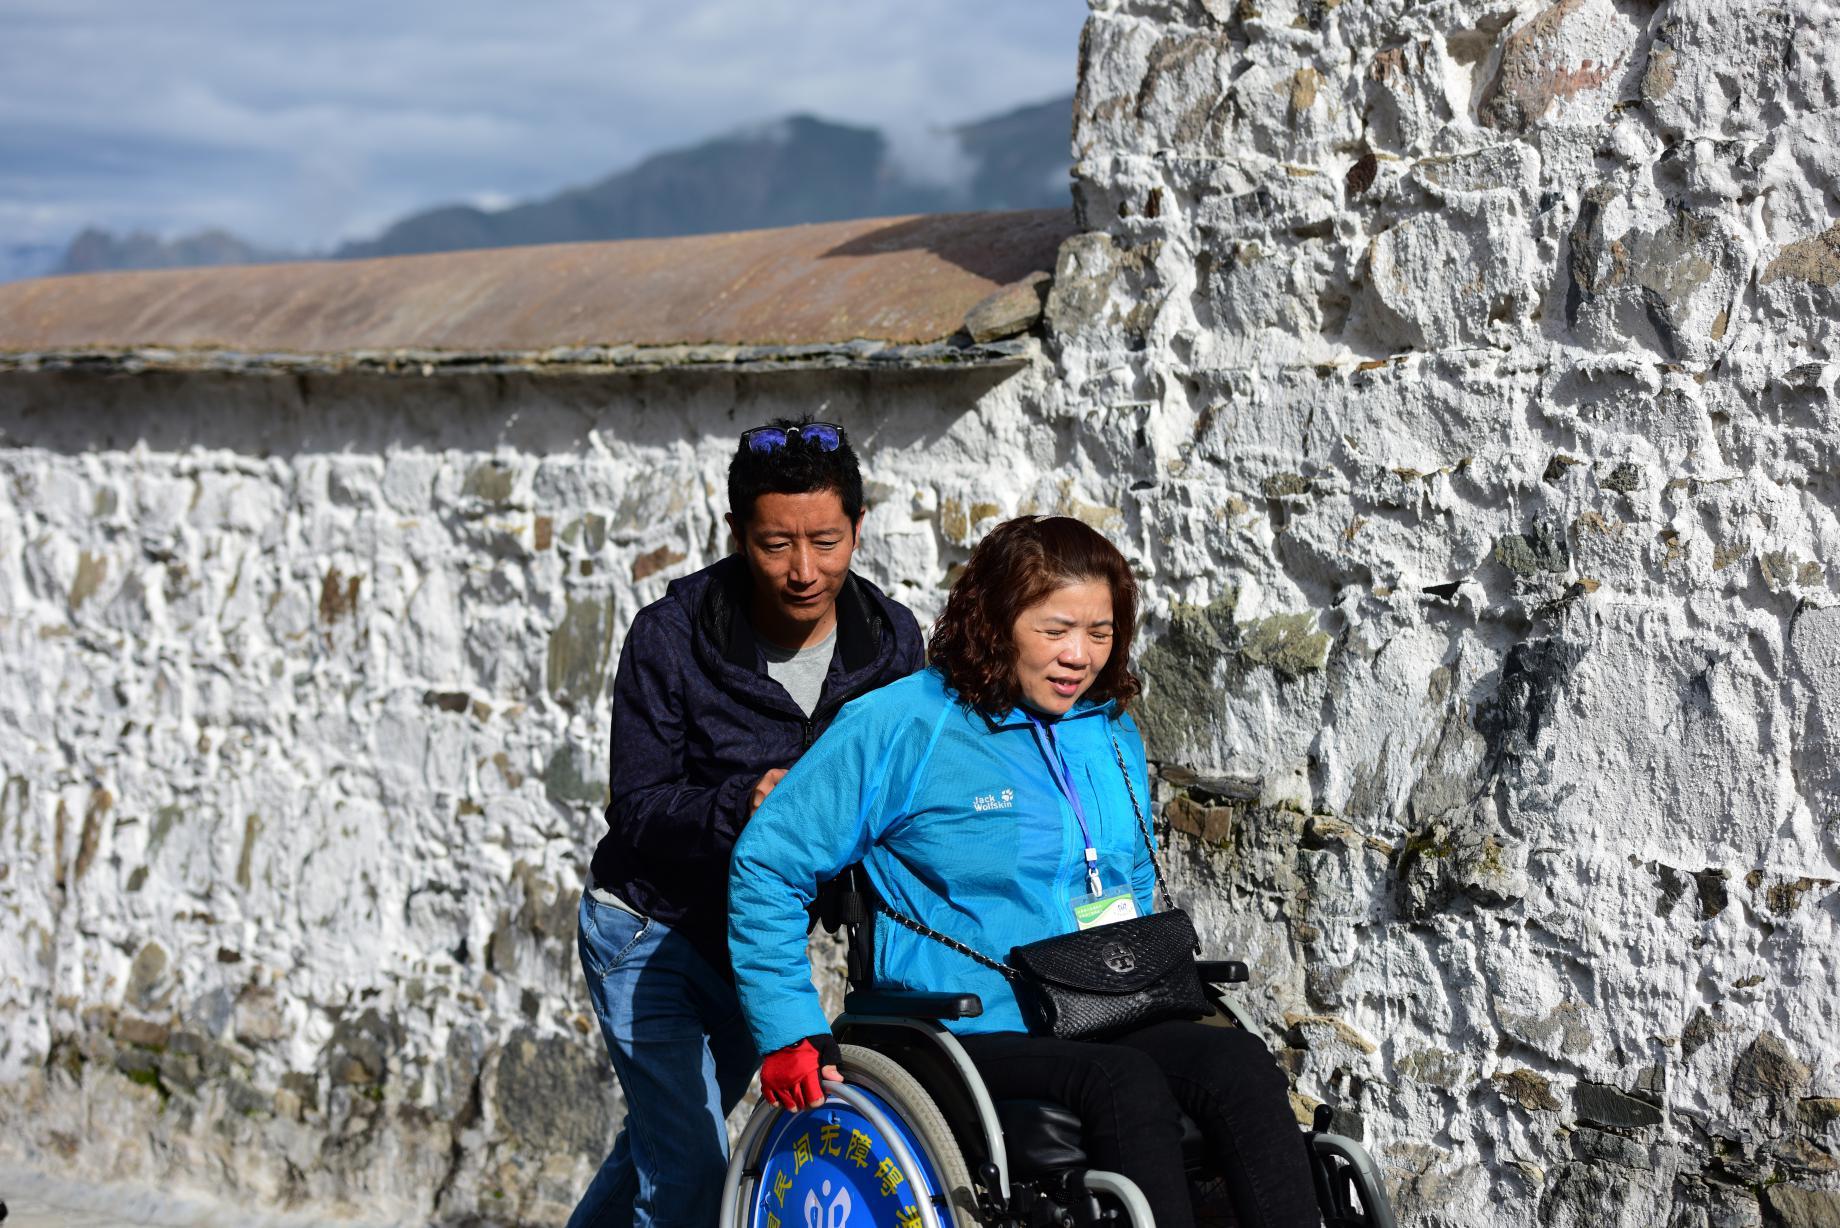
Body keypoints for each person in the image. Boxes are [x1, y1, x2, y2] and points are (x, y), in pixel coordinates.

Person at [729, 515, 1322, 1228]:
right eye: (1055, 630)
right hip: (966, 1022)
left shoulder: (1106, 727)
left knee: (1240, 1066)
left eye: (1100, 632)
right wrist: (789, 1028)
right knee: (1122, 1084)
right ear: (996, 622)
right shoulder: (903, 724)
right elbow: (768, 863)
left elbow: (1128, 874)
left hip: (1100, 1005)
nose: (1080, 656)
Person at [571, 419, 925, 1228]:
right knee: (693, 1167)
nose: (804, 570)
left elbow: (905, 798)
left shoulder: (892, 643)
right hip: (648, 933)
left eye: (827, 542)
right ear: (736, 533)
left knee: (661, 1152)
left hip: (757, 948)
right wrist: (744, 801)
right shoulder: (669, 637)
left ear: (859, 527)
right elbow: (635, 809)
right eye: (775, 545)